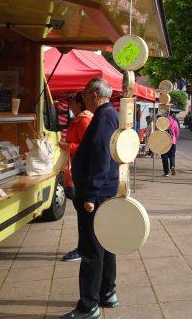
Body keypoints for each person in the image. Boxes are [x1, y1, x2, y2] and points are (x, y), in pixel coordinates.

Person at [61, 78, 120, 319]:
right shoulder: (107, 115)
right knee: (106, 244)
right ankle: (107, 293)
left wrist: (91, 195)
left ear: (94, 94)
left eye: (85, 95)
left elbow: (100, 157)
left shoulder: (104, 116)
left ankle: (89, 305)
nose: (83, 99)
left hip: (97, 193)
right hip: (103, 190)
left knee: (92, 250)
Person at [58, 91, 93, 262]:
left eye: (72, 101)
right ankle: (85, 246)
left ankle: (84, 248)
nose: (69, 104)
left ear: (79, 103)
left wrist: (67, 146)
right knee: (82, 213)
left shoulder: (84, 120)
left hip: (80, 172)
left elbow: (88, 147)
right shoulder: (79, 119)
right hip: (75, 170)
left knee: (84, 214)